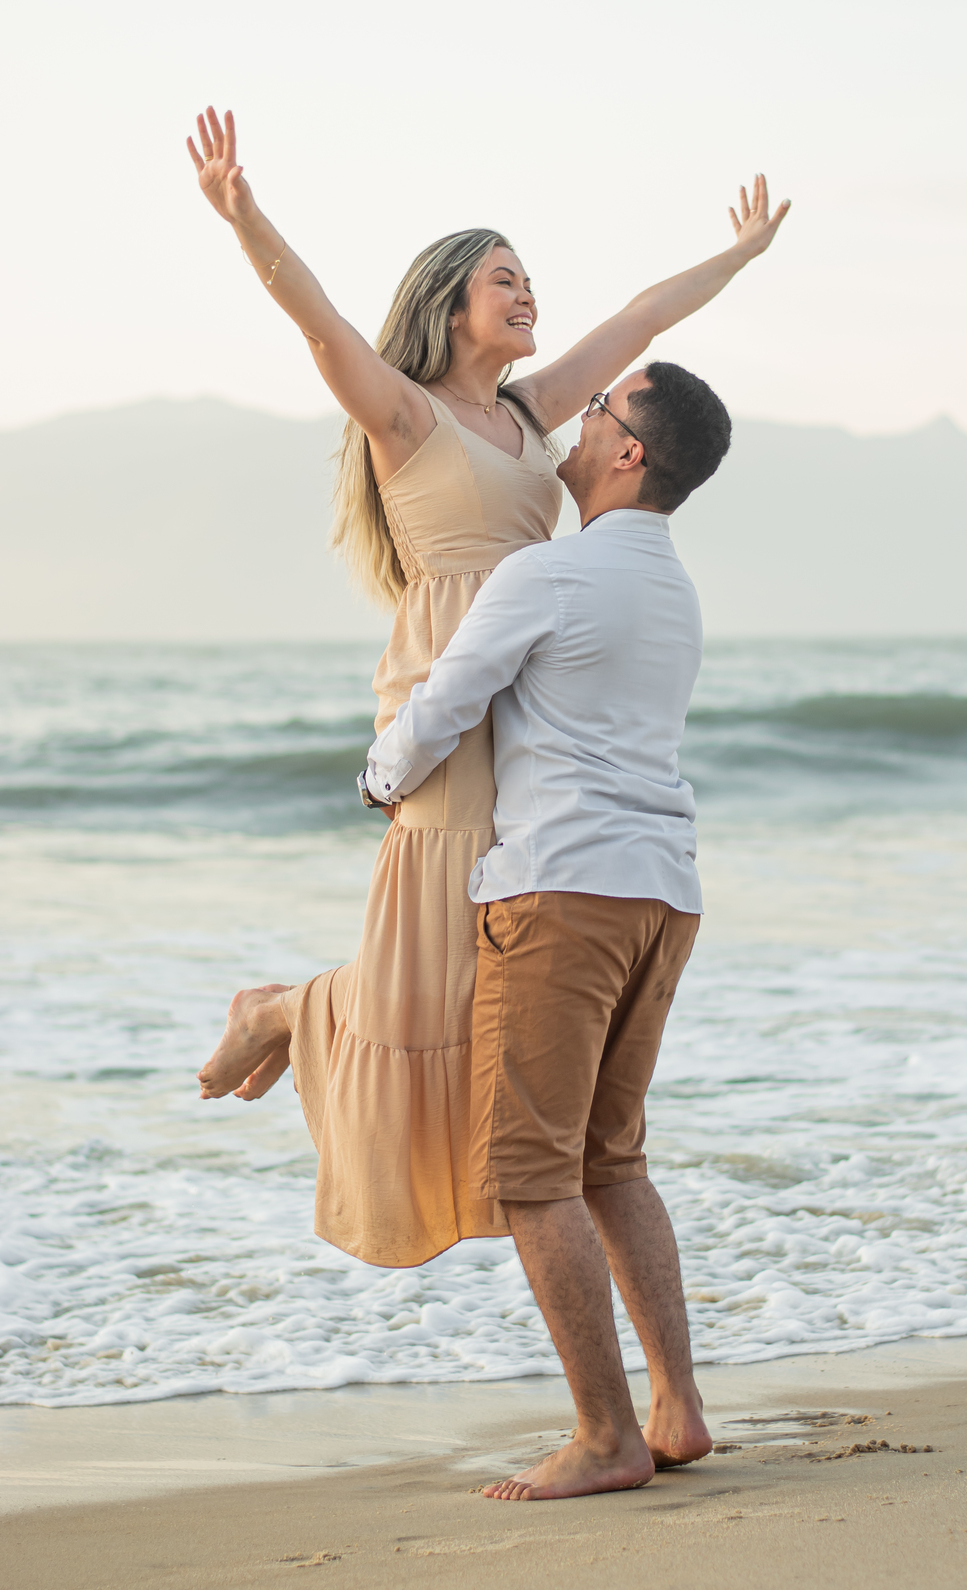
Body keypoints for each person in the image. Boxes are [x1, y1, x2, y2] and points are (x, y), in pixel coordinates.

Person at [192, 105, 788, 1271]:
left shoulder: (529, 412)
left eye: (529, 279)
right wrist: (242, 215)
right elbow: (316, 322)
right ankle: (282, 1012)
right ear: (451, 303)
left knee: (487, 968)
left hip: (531, 694)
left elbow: (641, 320)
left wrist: (739, 256)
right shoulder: (405, 414)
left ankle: (320, 1034)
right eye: (504, 280)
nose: (527, 294)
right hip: (447, 687)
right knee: (431, 969)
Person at [209, 361, 726, 1499]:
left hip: (562, 894)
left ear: (629, 451)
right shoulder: (674, 588)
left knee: (532, 1175)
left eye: (600, 409)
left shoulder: (551, 572)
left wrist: (377, 777)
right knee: (611, 1157)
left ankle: (606, 1438)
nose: (579, 422)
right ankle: (676, 1408)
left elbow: (446, 697)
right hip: (665, 892)